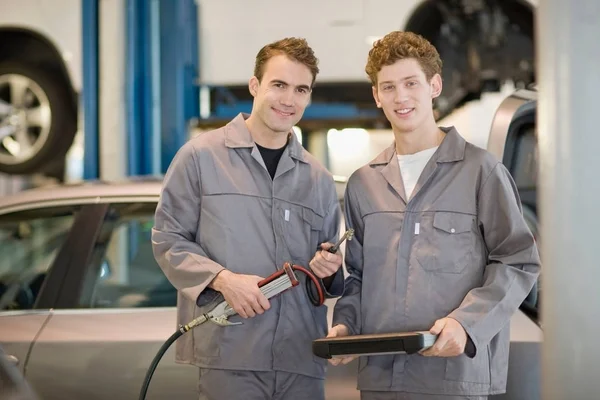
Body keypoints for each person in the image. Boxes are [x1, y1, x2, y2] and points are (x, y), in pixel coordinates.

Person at [328, 31, 541, 400]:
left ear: (434, 85)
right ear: (377, 96)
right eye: (389, 87)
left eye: (411, 83)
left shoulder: (481, 171)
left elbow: (518, 261)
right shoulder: (364, 183)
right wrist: (346, 324)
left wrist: (466, 323)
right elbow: (359, 275)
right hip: (382, 378)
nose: (401, 97)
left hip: (454, 376)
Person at [152, 37, 344, 400]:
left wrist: (329, 267)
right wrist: (223, 280)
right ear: (255, 85)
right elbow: (168, 240)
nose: (289, 99)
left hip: (301, 357)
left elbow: (325, 269)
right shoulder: (200, 158)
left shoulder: (317, 178)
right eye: (279, 85)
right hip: (231, 352)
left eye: (301, 89)